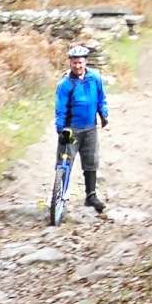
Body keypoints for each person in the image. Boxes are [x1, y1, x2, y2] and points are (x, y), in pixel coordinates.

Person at [54, 43, 110, 213]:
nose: (77, 65)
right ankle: (59, 196)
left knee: (91, 161)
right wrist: (60, 127)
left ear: (86, 62)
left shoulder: (95, 78)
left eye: (80, 62)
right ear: (70, 63)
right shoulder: (65, 84)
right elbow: (60, 108)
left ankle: (91, 196)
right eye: (74, 62)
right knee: (64, 161)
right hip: (70, 129)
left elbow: (101, 98)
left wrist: (104, 114)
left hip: (90, 128)